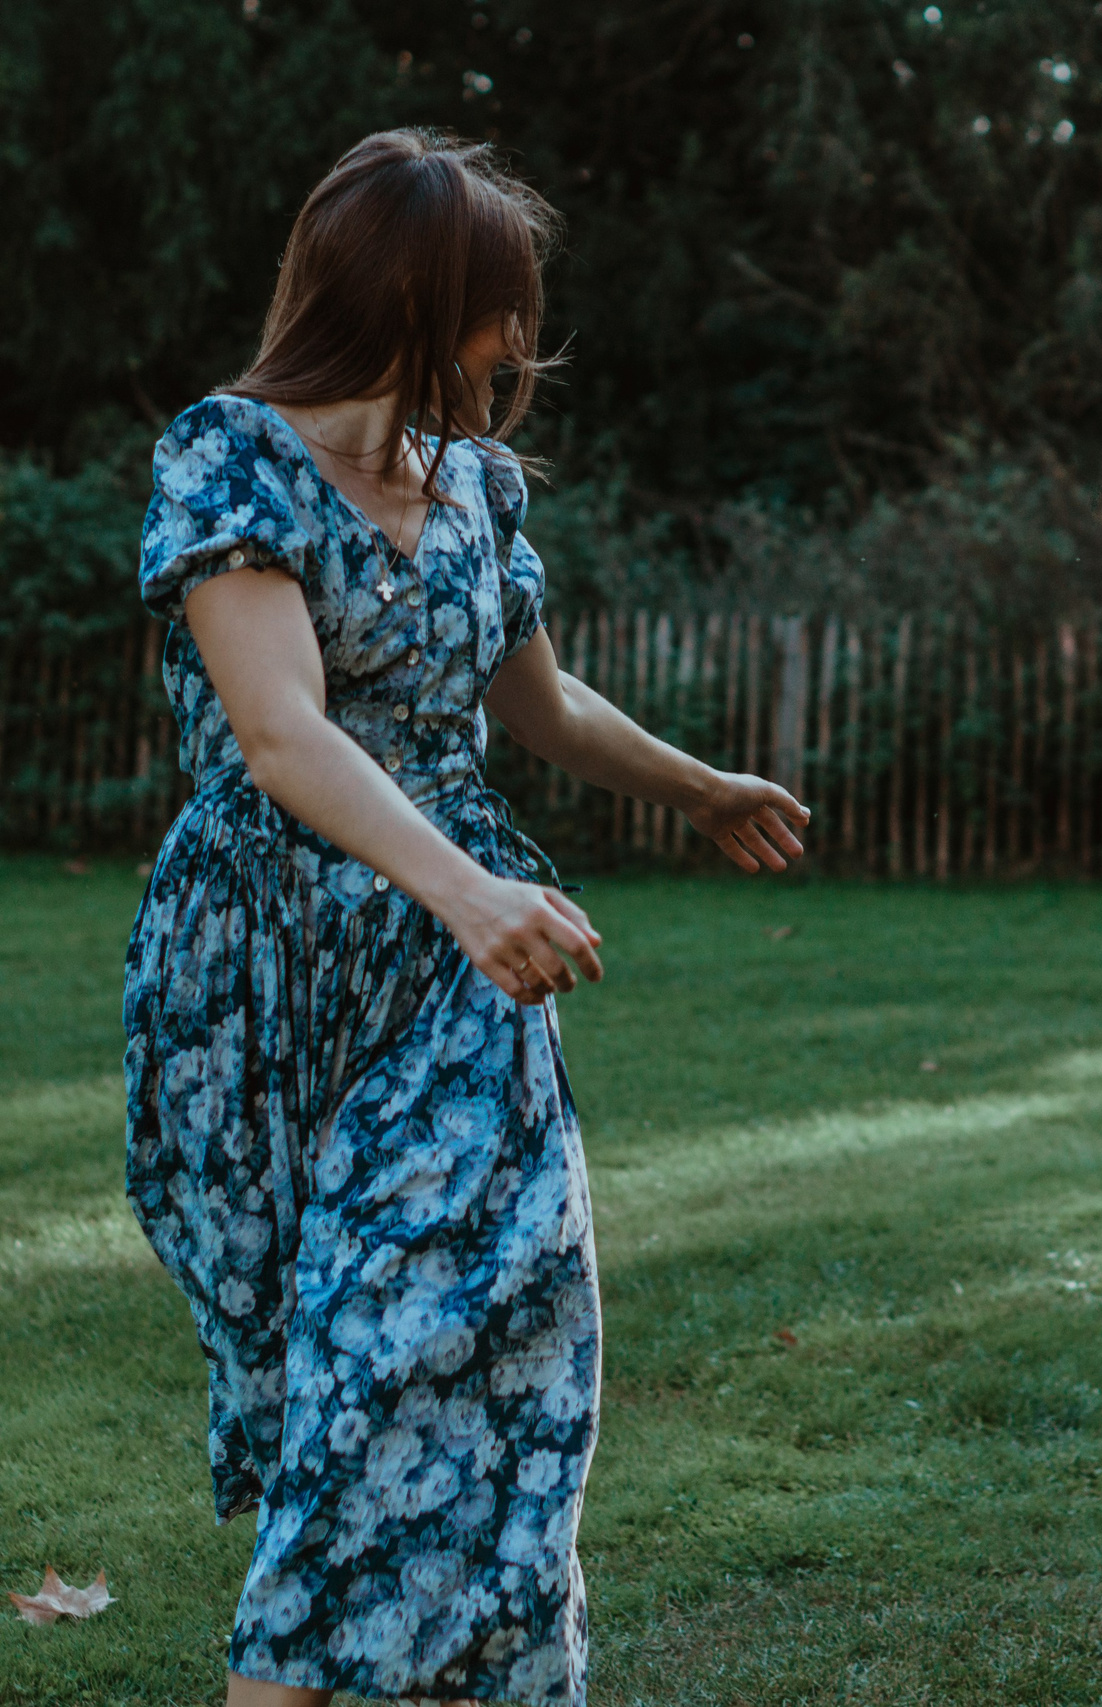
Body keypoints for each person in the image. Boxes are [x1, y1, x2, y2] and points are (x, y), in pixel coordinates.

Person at [121, 130, 808, 1707]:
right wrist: (468, 885)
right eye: (503, 310)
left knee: (490, 1328)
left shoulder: (479, 485)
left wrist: (697, 784)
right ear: (417, 300)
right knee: (334, 1378)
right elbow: (283, 733)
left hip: (457, 974)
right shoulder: (226, 453)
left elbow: (542, 703)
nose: (521, 347)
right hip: (263, 965)